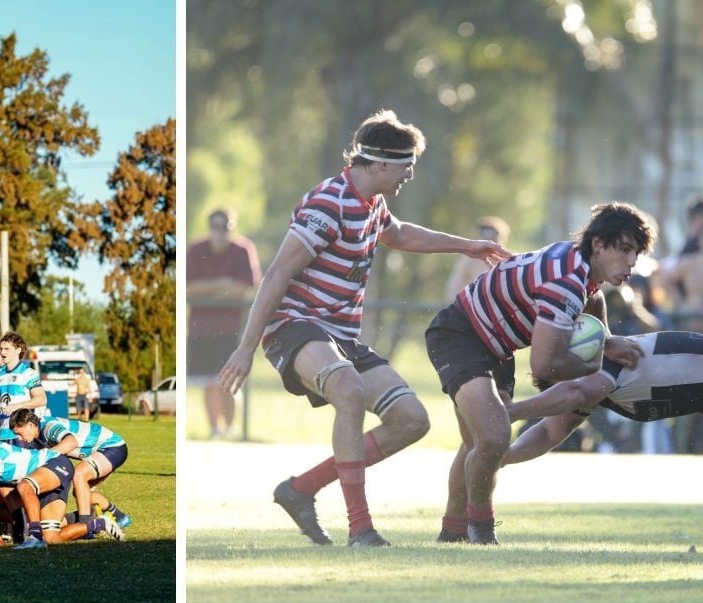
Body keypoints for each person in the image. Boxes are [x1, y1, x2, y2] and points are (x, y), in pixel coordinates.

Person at [219, 109, 511, 548]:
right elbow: (277, 274)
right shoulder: (328, 203)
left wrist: (468, 246)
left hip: (340, 336)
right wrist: (245, 347)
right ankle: (361, 529)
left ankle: (299, 490)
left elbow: (401, 235)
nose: (408, 176)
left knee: (412, 420)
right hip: (295, 326)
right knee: (349, 390)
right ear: (378, 163)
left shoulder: (373, 204)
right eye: (405, 167)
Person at [428, 201, 655, 544]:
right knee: (492, 437)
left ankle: (452, 532)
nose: (631, 262)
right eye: (623, 250)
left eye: (635, 253)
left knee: (478, 442)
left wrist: (606, 341)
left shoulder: (580, 266)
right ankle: (482, 530)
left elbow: (591, 300)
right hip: (459, 334)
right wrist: (594, 364)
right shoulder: (567, 279)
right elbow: (544, 365)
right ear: (598, 244)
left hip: (496, 345)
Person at [502, 331, 703, 533]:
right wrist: (504, 457)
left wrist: (515, 409)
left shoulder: (603, 365)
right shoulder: (586, 390)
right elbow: (547, 433)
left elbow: (573, 394)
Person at [188, 208, 262, 438]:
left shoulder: (243, 250)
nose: (220, 231)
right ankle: (214, 430)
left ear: (232, 226)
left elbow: (245, 288)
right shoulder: (196, 249)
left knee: (228, 382)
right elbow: (188, 287)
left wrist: (208, 288)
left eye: (225, 226)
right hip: (200, 327)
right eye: (215, 226)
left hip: (230, 327)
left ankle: (230, 429)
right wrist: (223, 284)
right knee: (209, 382)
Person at [21, 408, 132, 528]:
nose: (20, 438)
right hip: (105, 450)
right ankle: (120, 517)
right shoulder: (35, 439)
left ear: (30, 425)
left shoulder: (49, 427)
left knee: (79, 475)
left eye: (20, 433)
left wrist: (45, 456)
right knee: (80, 493)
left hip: (113, 446)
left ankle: (86, 525)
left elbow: (71, 442)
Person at [0, 332, 46, 442]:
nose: (2, 352)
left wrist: (16, 406)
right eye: (1, 349)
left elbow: (41, 399)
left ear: (18, 350)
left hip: (21, 436)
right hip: (3, 435)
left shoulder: (29, 373)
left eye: (7, 349)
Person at [444, 216, 511, 302]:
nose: (489, 239)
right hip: (475, 308)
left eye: (493, 235)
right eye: (485, 234)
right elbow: (453, 289)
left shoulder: (510, 257)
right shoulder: (469, 260)